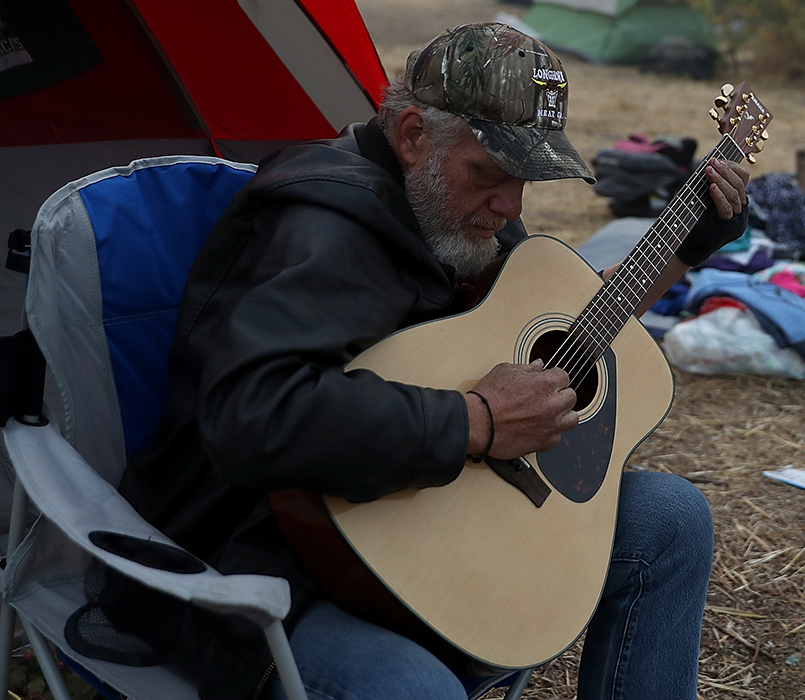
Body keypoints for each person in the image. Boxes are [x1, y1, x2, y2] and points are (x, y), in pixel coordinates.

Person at [114, 22, 751, 700]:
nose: (511, 207)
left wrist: (688, 243)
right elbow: (254, 417)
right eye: (493, 175)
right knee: (415, 690)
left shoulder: (458, 212)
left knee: (671, 520)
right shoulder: (324, 229)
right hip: (259, 570)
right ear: (414, 135)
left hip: (420, 524)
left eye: (527, 181)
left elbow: (563, 335)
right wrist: (475, 420)